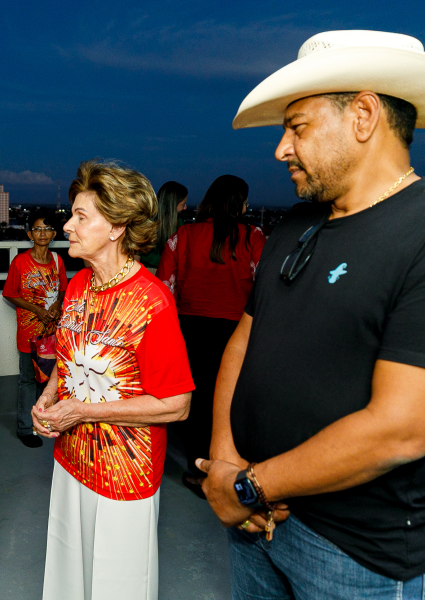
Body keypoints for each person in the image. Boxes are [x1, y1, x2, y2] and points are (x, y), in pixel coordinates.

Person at [197, 30, 425, 598]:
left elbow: (402, 429)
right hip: (256, 523)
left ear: (364, 116)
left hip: (354, 554)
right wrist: (225, 460)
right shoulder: (295, 225)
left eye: (297, 128)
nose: (281, 150)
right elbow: (243, 342)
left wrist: (249, 486)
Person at [31, 160, 194, 599]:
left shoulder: (151, 302)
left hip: (125, 471)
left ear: (117, 228)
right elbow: (69, 358)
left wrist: (82, 411)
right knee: (70, 572)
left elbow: (176, 404)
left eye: (81, 217)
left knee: (117, 583)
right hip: (72, 459)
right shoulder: (80, 284)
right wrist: (49, 396)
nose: (68, 226)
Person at [157, 175, 265, 498]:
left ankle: (199, 472)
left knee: (200, 402)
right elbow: (265, 285)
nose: (247, 205)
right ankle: (231, 470)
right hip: (236, 332)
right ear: (237, 203)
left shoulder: (182, 235)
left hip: (191, 330)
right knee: (233, 400)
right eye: (244, 199)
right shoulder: (253, 236)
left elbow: (164, 286)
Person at [3, 211, 67, 448]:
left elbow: (62, 289)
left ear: (53, 233)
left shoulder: (57, 261)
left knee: (50, 380)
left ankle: (46, 422)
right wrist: (36, 309)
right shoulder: (20, 262)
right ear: (30, 234)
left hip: (52, 334)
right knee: (29, 381)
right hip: (29, 334)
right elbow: (9, 293)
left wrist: (56, 305)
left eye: (47, 229)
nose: (42, 233)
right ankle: (24, 428)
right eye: (38, 229)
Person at [139, 180, 187, 273]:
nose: (185, 207)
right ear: (172, 204)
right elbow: (138, 253)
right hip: (149, 272)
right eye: (183, 204)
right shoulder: (147, 223)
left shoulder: (179, 222)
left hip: (168, 271)